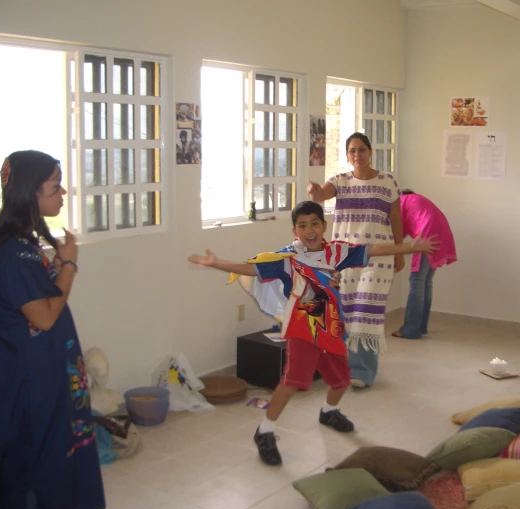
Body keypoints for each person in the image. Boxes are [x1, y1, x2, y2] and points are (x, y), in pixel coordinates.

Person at [187, 201, 437, 465]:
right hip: (302, 326)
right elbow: (252, 269)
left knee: (341, 379)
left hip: (331, 326)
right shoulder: (288, 259)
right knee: (293, 379)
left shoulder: (337, 252)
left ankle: (328, 412)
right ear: (295, 230)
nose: (309, 230)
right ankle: (265, 431)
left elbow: (373, 250)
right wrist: (216, 263)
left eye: (314, 223)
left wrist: (411, 247)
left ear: (324, 226)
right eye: (303, 225)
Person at [0, 150, 106, 509]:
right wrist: (69, 264)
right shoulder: (12, 253)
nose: (63, 192)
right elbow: (46, 316)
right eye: (54, 185)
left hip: (42, 380)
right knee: (32, 471)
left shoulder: (22, 245)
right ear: (30, 194)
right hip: (25, 391)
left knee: (52, 464)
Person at [307, 132, 403, 389]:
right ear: (347, 155)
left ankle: (363, 371)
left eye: (361, 149)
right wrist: (315, 192)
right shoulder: (340, 181)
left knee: (366, 310)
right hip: (346, 258)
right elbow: (322, 195)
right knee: (347, 311)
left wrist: (399, 251)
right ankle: (345, 366)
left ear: (370, 151)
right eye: (352, 151)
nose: (357, 155)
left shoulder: (388, 182)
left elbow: (396, 219)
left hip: (378, 256)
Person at [391, 189, 457, 340]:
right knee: (425, 281)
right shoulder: (416, 200)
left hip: (428, 232)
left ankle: (410, 329)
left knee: (417, 281)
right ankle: (420, 326)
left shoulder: (400, 201)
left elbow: (398, 230)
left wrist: (392, 249)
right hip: (440, 230)